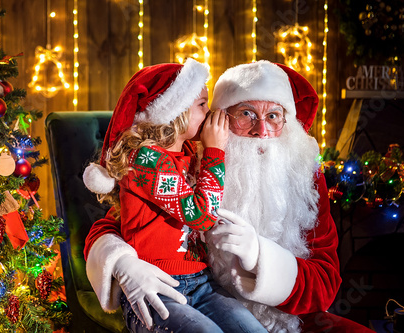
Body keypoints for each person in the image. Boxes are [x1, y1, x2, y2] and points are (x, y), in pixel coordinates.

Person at [83, 60, 374, 333]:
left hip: (288, 316)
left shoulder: (303, 177)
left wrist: (262, 258)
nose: (261, 130)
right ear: (220, 119)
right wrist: (122, 263)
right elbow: (120, 220)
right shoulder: (195, 159)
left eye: (273, 116)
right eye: (246, 114)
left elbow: (325, 279)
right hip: (189, 291)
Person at [83, 58, 267, 333]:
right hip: (155, 289)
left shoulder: (189, 153)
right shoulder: (144, 159)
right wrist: (215, 151)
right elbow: (202, 217)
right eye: (202, 105)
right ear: (175, 112)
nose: (211, 112)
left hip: (201, 283)